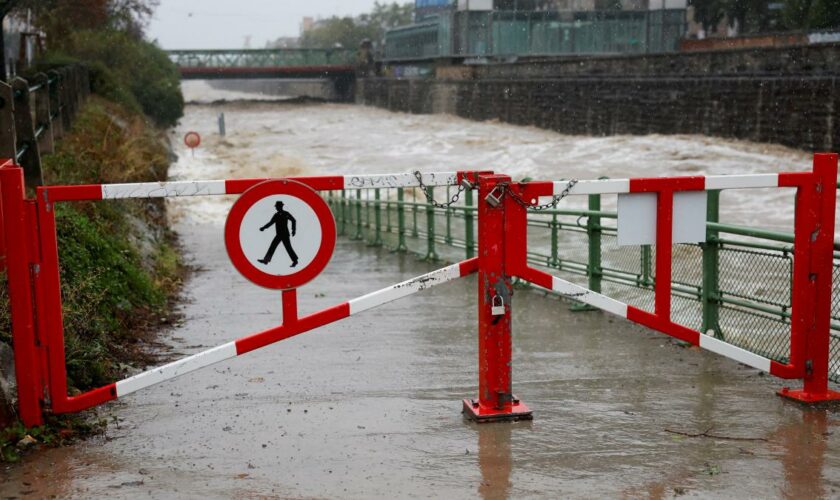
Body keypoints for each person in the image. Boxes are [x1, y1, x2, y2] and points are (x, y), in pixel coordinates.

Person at [258, 201, 298, 267]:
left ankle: (295, 261)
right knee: (273, 246)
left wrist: (293, 230)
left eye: (277, 206)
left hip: (285, 234)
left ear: (281, 206)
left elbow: (293, 220)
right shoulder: (276, 215)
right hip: (279, 234)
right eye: (276, 207)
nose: (276, 208)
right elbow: (271, 223)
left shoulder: (286, 213)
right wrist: (264, 228)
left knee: (288, 248)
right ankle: (266, 260)